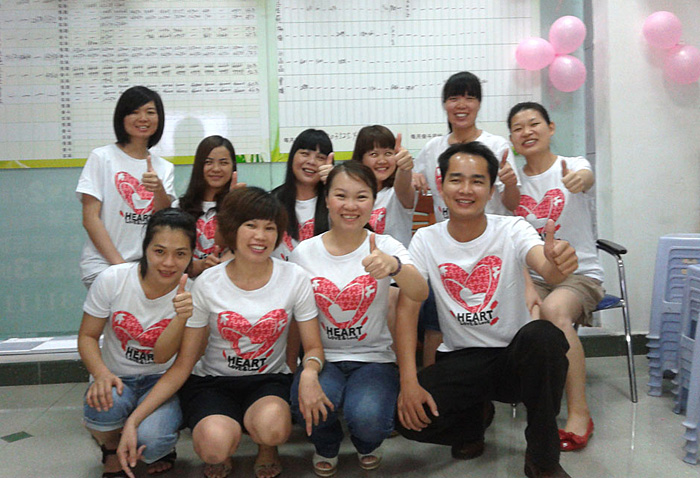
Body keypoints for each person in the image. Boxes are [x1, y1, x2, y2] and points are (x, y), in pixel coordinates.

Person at [117, 187, 331, 478]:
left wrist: (308, 372)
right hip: (212, 383)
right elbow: (183, 364)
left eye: (269, 228)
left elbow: (314, 347)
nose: (260, 236)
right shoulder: (208, 283)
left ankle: (266, 447)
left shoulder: (295, 278)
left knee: (272, 427)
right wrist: (134, 421)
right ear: (232, 229)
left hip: (268, 380)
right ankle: (224, 446)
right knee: (214, 447)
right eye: (250, 225)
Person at [395, 142, 577, 478]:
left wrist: (556, 263)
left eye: (477, 181)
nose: (466, 189)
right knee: (407, 420)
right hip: (461, 358)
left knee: (544, 337)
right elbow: (408, 309)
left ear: (491, 190)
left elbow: (545, 266)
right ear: (441, 185)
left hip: (514, 359)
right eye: (456, 179)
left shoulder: (512, 229)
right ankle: (473, 421)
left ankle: (542, 458)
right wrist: (408, 380)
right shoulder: (425, 239)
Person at [289, 162, 428, 477]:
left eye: (361, 197)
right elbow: (295, 317)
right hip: (322, 358)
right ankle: (327, 444)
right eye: (341, 195)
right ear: (326, 200)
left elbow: (420, 292)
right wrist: (295, 368)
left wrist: (394, 267)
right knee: (304, 401)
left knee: (368, 417)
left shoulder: (386, 246)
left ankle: (367, 443)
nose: (350, 206)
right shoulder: (304, 253)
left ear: (374, 202)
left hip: (374, 359)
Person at [508, 101, 604, 451]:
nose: (527, 132)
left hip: (578, 275)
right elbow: (509, 242)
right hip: (533, 277)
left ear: (550, 128)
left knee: (553, 312)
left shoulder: (573, 166)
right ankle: (537, 410)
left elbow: (586, 178)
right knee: (528, 318)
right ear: (511, 140)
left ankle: (579, 413)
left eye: (534, 123)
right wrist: (527, 284)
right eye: (518, 128)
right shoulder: (511, 185)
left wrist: (580, 180)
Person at [411, 71, 521, 365]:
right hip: (446, 253)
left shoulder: (497, 146)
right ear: (444, 104)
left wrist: (511, 183)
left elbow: (512, 204)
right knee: (432, 315)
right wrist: (410, 176)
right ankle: (433, 381)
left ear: (479, 104)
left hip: (491, 253)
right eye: (454, 98)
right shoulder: (433, 148)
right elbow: (411, 195)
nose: (462, 104)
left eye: (470, 97)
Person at [78, 208, 196, 477]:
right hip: (116, 376)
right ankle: (110, 447)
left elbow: (177, 365)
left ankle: (158, 444)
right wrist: (101, 374)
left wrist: (133, 421)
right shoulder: (113, 279)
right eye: (159, 251)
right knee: (103, 407)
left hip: (162, 381)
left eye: (180, 254)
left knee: (152, 442)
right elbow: (87, 336)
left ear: (191, 255)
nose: (168, 263)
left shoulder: (193, 294)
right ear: (145, 248)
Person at [76, 86, 176, 288]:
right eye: (134, 112)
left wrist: (158, 189)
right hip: (103, 265)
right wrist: (121, 267)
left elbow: (164, 220)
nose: (143, 118)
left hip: (145, 268)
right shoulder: (102, 157)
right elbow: (90, 218)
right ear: (121, 117)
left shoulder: (164, 167)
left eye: (150, 112)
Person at [176, 135, 238, 277]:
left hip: (226, 282)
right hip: (187, 283)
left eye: (223, 163)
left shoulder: (241, 206)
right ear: (199, 166)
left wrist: (232, 203)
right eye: (208, 162)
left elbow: (240, 250)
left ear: (233, 167)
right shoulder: (179, 206)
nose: (216, 169)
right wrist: (201, 265)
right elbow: (173, 257)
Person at [271, 129, 333, 261]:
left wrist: (336, 184)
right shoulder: (271, 201)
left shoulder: (334, 203)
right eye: (305, 154)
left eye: (320, 157)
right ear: (292, 157)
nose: (311, 161)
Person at [350, 125, 415, 248]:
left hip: (396, 259)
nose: (382, 160)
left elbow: (403, 186)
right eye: (374, 154)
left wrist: (405, 169)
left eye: (388, 153)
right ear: (360, 159)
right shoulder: (351, 196)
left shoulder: (396, 193)